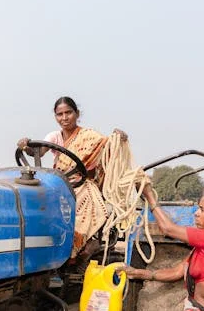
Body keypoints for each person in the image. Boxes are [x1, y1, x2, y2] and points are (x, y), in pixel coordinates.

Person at [17, 96, 127, 257]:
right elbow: (38, 151)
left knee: (86, 196)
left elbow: (106, 147)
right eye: (59, 114)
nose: (64, 118)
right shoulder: (55, 137)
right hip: (60, 182)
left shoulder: (89, 137)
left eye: (68, 113)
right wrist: (26, 146)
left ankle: (82, 242)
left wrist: (117, 139)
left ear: (77, 113)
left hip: (83, 183)